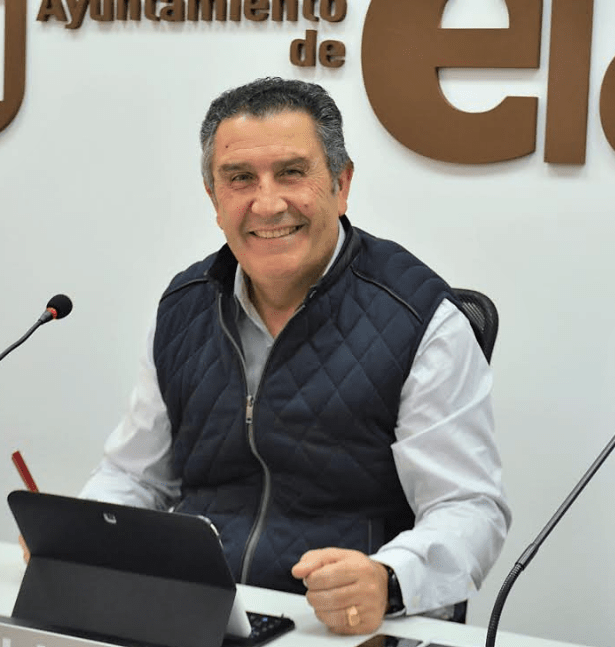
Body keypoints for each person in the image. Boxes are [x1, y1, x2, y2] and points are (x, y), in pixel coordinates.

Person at [80, 77, 510, 634]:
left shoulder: (420, 318)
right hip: (202, 616)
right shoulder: (183, 308)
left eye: (291, 172)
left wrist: (388, 579)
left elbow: (469, 507)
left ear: (341, 183)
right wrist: (82, 532)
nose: (267, 204)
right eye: (240, 178)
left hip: (342, 628)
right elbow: (135, 476)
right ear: (214, 199)